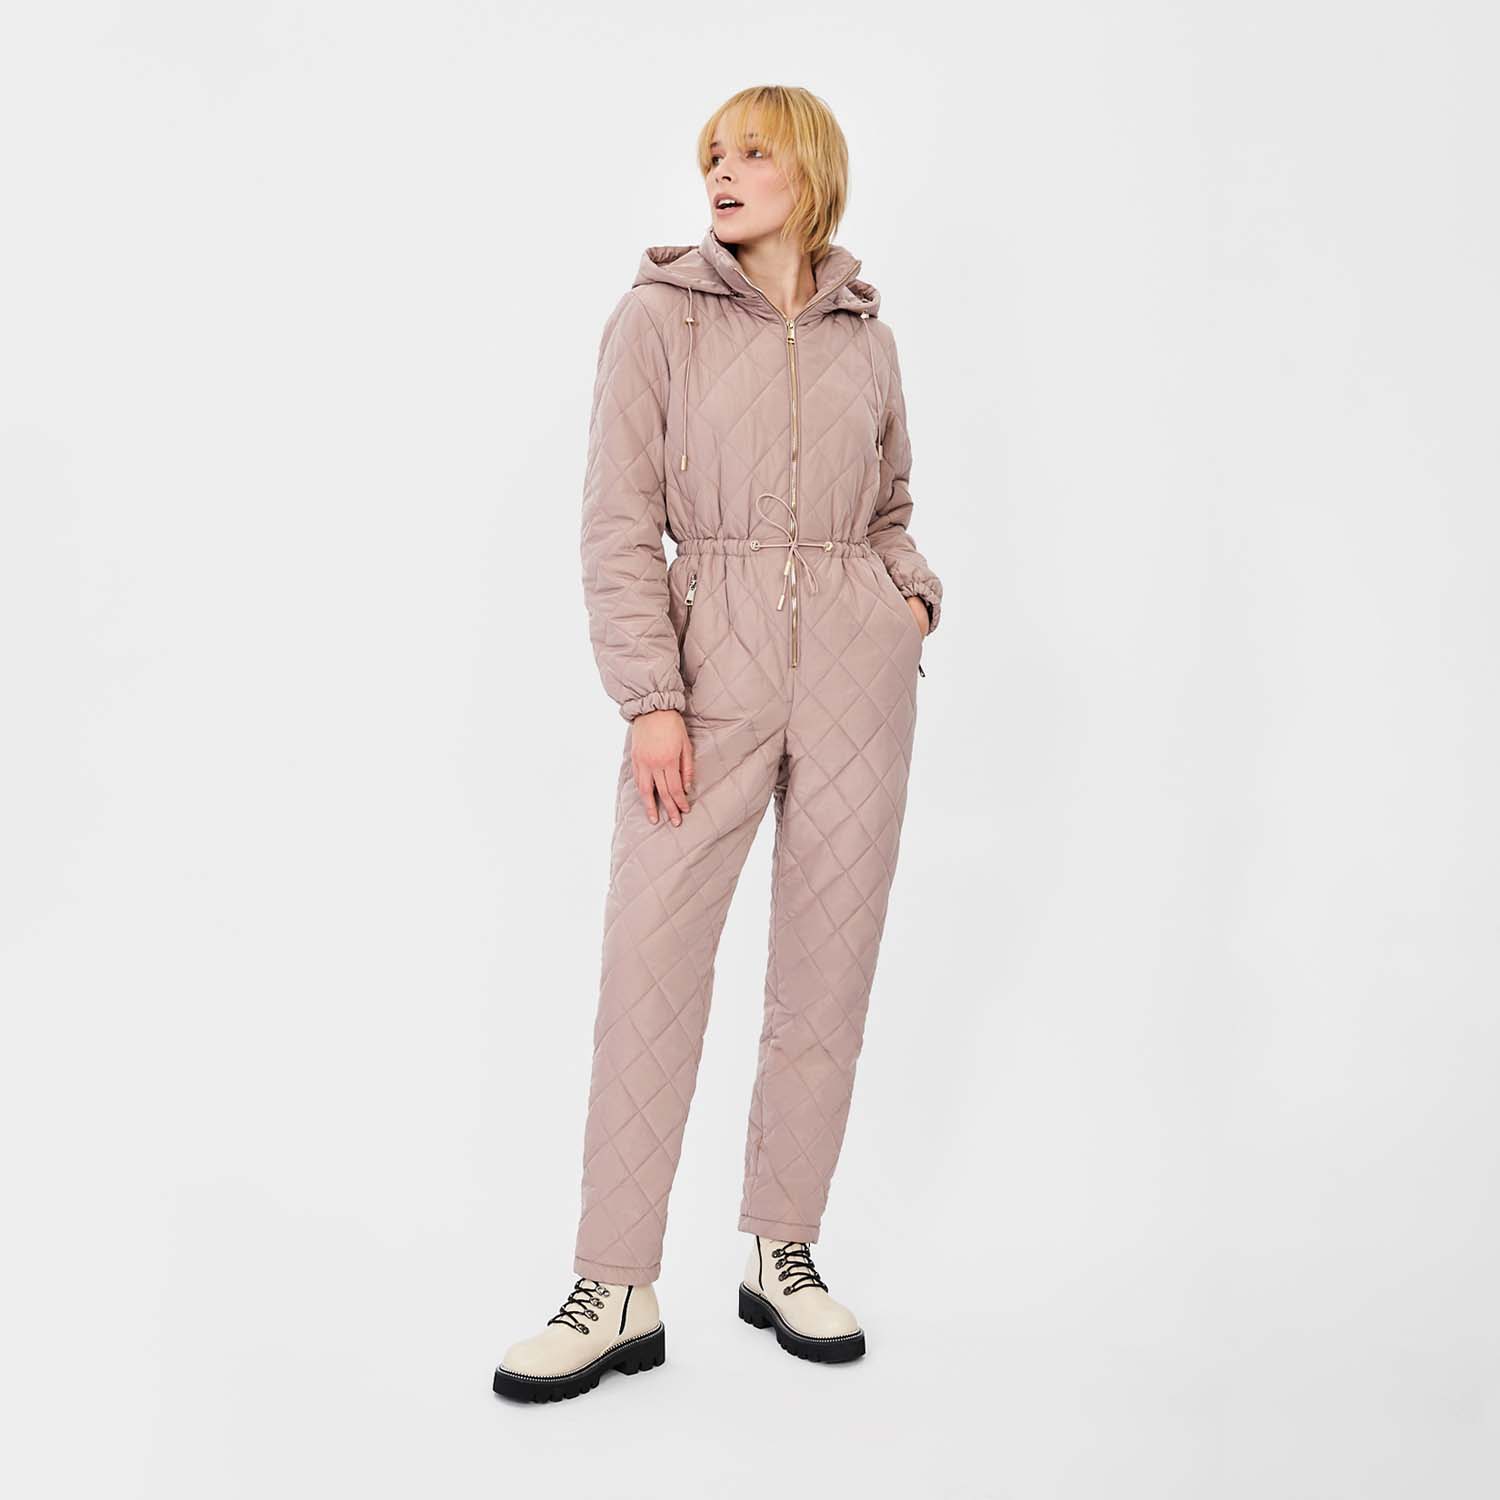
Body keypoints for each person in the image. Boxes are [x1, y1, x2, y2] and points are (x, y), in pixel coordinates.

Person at [493, 84, 944, 1403]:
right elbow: (617, 523)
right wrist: (651, 697)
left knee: (827, 970)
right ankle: (614, 1284)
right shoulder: (657, 319)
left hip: (858, 674)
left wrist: (910, 597)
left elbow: (892, 506)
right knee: (652, 961)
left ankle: (782, 1250)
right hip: (709, 672)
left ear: (812, 172)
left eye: (752, 152)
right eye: (712, 156)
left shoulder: (868, 335)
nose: (723, 174)